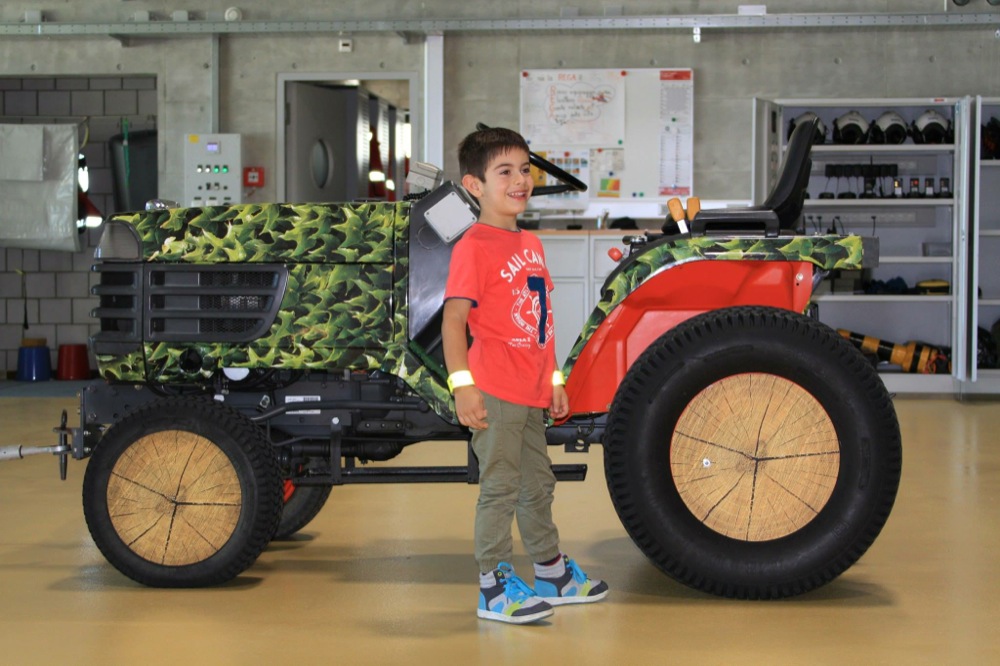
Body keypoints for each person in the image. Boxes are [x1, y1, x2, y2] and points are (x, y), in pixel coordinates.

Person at [442, 127, 609, 625]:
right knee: (500, 487)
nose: (520, 180)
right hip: (494, 391)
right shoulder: (473, 246)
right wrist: (462, 386)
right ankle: (492, 586)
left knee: (537, 484)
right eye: (505, 172)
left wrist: (554, 380)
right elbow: (453, 321)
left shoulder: (531, 243)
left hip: (531, 391)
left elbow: (540, 322)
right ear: (474, 185)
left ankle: (551, 572)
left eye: (524, 169)